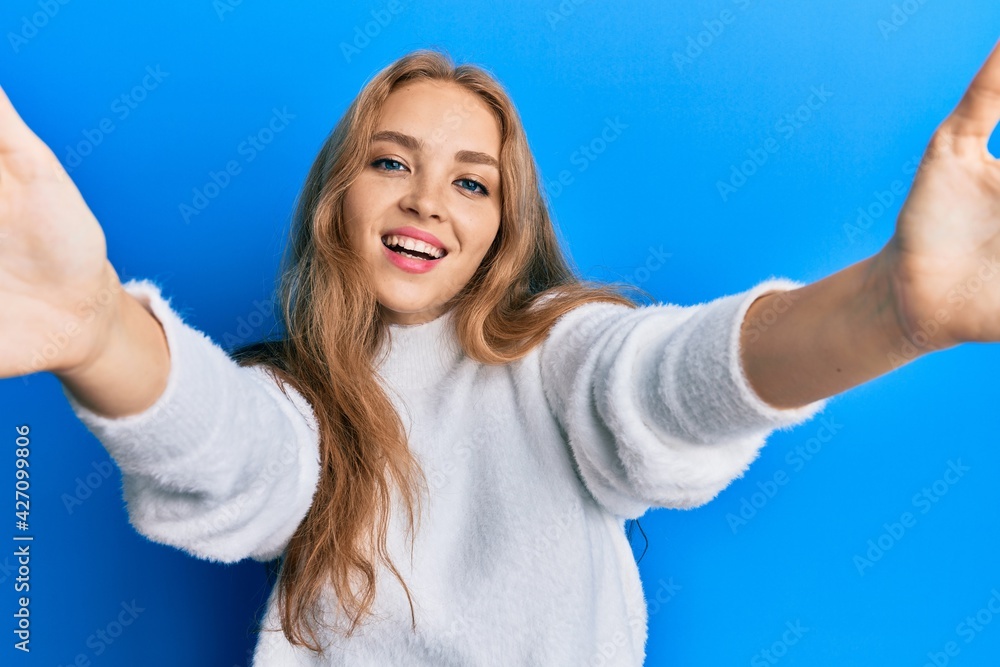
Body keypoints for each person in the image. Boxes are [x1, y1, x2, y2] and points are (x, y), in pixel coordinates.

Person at [2, 40, 999, 665]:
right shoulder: (293, 402)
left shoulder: (557, 354)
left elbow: (662, 381)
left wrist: (887, 311)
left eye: (472, 183)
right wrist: (98, 326)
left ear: (503, 232)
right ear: (330, 207)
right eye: (390, 162)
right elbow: (230, 446)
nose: (427, 199)